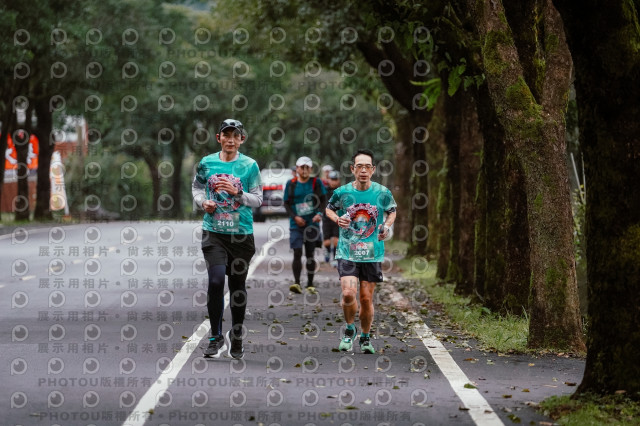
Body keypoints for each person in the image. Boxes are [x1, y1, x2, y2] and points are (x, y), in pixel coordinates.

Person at [192, 118, 263, 359]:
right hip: (214, 232)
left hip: (241, 236)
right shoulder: (207, 163)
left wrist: (238, 193)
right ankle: (215, 336)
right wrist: (203, 202)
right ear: (218, 138)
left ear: (242, 139)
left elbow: (258, 199)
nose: (230, 140)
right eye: (226, 135)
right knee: (215, 281)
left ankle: (237, 333)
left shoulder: (250, 166)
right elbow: (197, 188)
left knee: (237, 286)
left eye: (235, 136)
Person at [325, 148, 397, 354]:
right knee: (348, 294)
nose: (363, 170)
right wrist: (337, 219)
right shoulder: (342, 192)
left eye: (367, 167)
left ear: (373, 169)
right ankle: (350, 330)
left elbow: (392, 211)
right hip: (347, 251)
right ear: (352, 169)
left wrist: (387, 226)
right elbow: (329, 208)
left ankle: (365, 337)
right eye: (359, 167)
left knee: (366, 298)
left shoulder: (382, 192)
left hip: (372, 253)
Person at [284, 156, 327, 295]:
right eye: (302, 167)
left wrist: (319, 214)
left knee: (310, 253)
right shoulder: (291, 184)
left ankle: (310, 284)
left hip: (311, 223)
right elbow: (286, 203)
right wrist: (295, 217)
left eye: (307, 167)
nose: (304, 170)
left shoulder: (316, 182)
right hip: (296, 224)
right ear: (297, 169)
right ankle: (297, 283)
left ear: (311, 169)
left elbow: (323, 200)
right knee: (297, 252)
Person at [322, 170, 341, 265]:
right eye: (332, 179)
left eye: (335, 179)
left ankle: (334, 257)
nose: (333, 182)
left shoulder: (341, 191)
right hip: (326, 218)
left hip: (337, 218)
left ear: (338, 180)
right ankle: (327, 251)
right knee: (327, 242)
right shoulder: (324, 190)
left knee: (336, 240)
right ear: (328, 180)